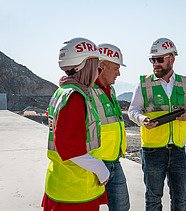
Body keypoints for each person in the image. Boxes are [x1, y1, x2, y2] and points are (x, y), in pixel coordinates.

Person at [128, 37, 186, 211]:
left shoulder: (185, 83)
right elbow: (133, 111)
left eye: (159, 59)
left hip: (178, 150)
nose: (155, 64)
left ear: (171, 59)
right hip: (152, 151)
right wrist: (142, 119)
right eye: (152, 60)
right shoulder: (144, 83)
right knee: (153, 200)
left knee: (180, 200)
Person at [42, 37, 110, 210]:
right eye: (97, 67)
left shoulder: (62, 92)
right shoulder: (74, 97)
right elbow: (69, 148)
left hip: (63, 183)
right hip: (74, 192)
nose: (98, 73)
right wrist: (102, 170)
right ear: (85, 67)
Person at [90, 43, 130, 211]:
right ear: (101, 66)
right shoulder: (87, 91)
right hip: (97, 162)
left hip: (115, 161)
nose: (119, 73)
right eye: (115, 68)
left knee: (122, 207)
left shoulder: (111, 90)